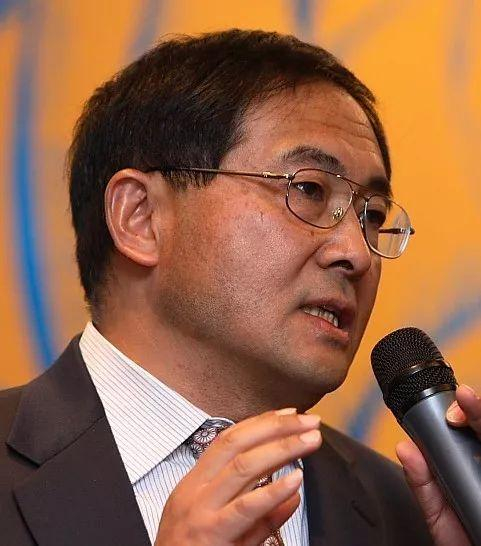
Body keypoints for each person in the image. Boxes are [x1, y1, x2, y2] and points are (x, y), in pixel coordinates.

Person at [0, 29, 479, 546]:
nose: (356, 253)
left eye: (373, 216)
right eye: (309, 189)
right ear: (140, 217)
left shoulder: (408, 514)